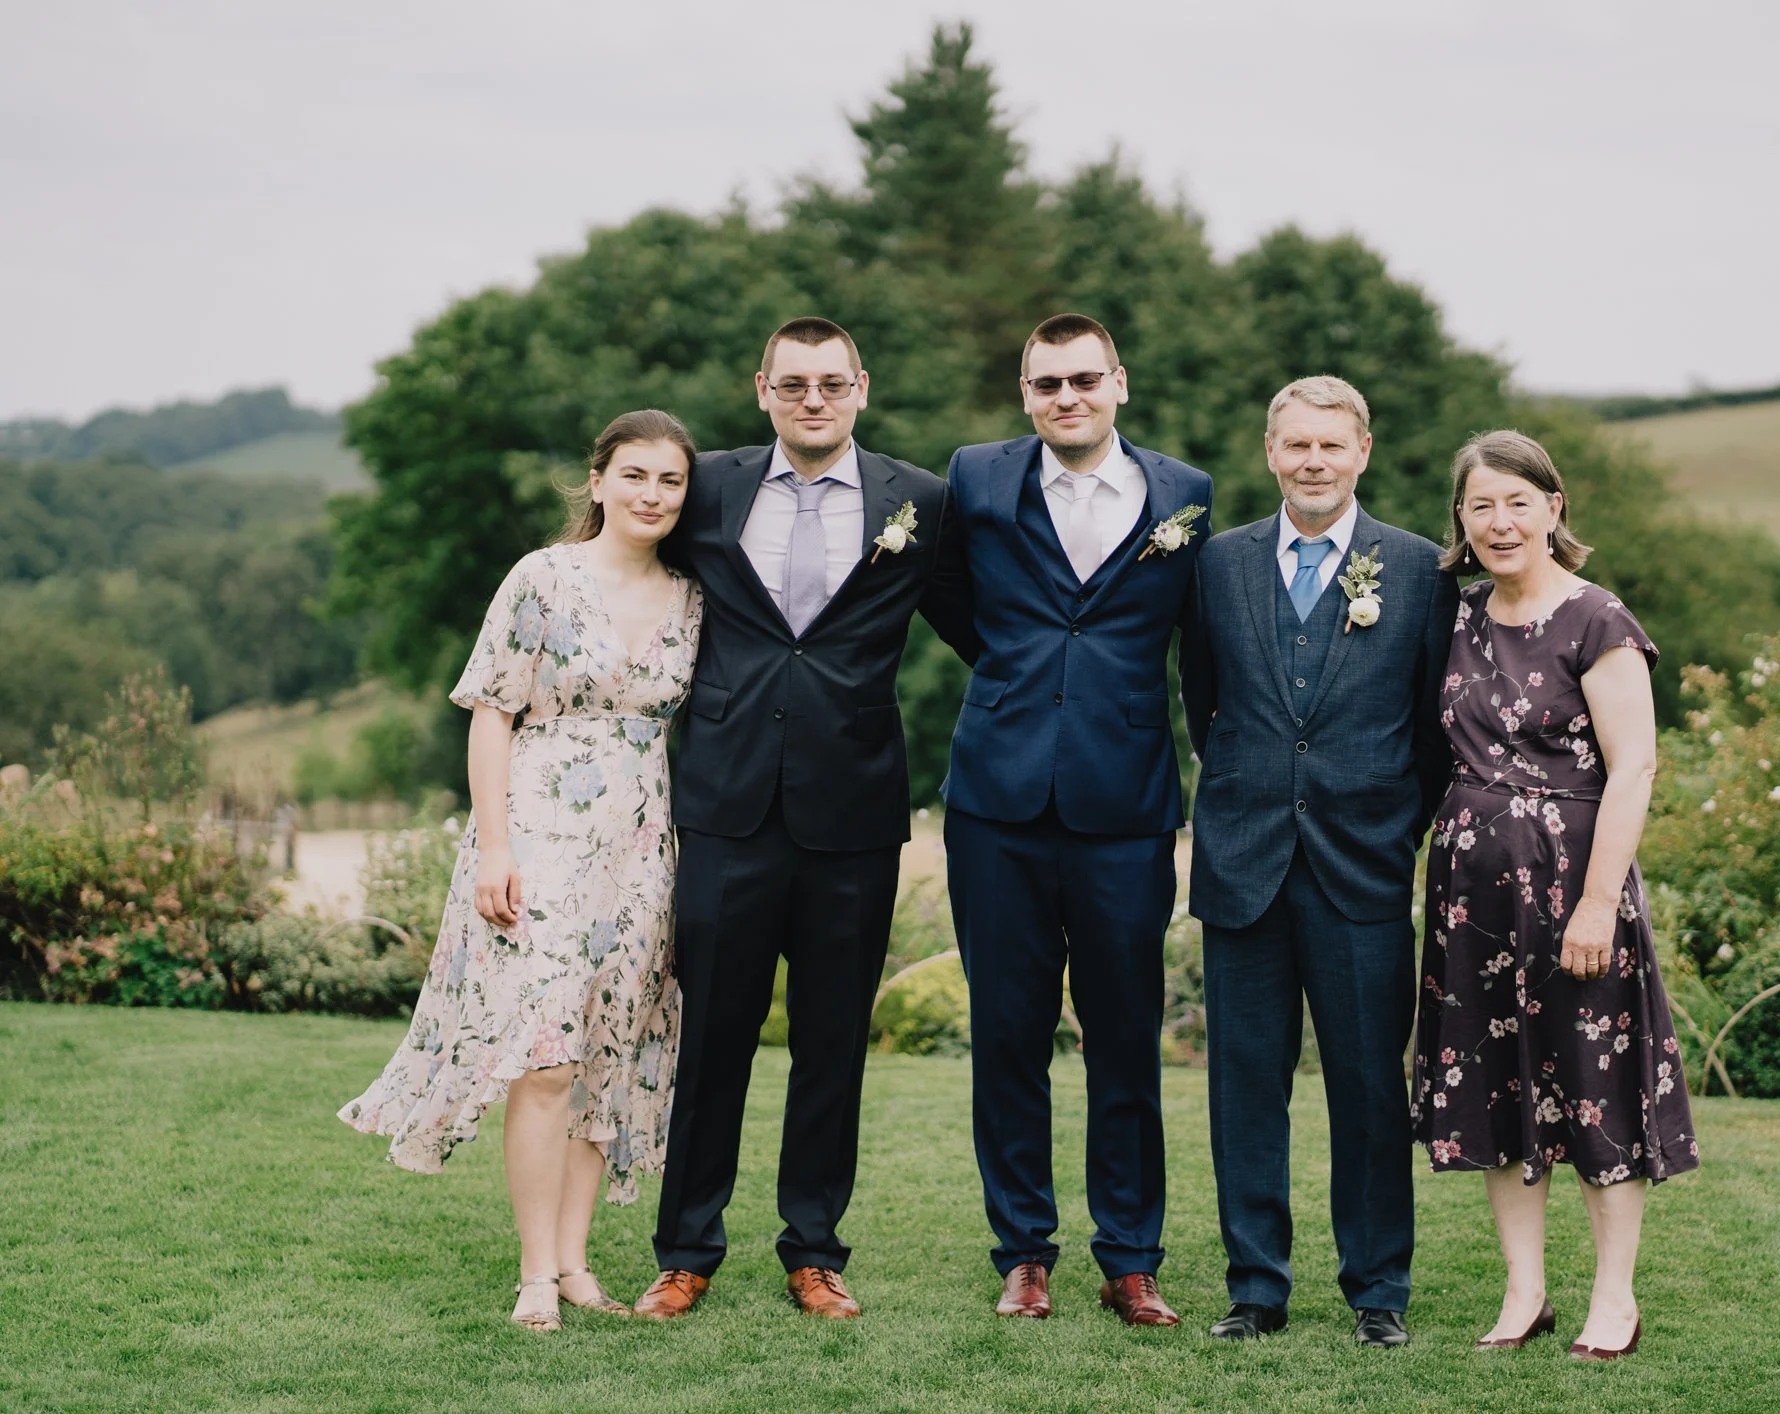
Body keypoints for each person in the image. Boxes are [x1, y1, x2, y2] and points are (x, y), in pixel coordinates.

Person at [637, 317, 978, 1322]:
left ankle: (814, 1252)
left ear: (861, 388)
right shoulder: (708, 490)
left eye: (832, 383)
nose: (814, 399)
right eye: (795, 384)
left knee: (832, 1046)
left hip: (855, 814)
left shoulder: (919, 501)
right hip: (728, 806)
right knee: (714, 1043)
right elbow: (627, 566)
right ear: (763, 391)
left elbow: (984, 631)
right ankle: (686, 1250)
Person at [340, 409, 704, 1333]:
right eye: (634, 476)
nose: (651, 494)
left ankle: (579, 1263)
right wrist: (495, 845)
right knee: (543, 1058)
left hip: (640, 852)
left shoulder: (694, 596)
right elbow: (491, 711)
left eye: (669, 480)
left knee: (605, 1055)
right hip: (539, 839)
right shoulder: (542, 579)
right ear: (597, 482)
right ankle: (534, 1272)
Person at [942, 313, 1213, 1327]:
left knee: (1125, 1037)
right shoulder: (975, 478)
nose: (1068, 396)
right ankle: (1023, 1251)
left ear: (1119, 384)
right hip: (996, 805)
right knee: (1007, 1034)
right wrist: (1019, 670)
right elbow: (946, 593)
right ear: (1025, 393)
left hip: (1125, 803)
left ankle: (1132, 1256)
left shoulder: (1185, 493)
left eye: (1084, 379)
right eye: (1047, 382)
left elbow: (1194, 640)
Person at [1180, 376, 1456, 1348]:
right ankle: (1256, 1286)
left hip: (1363, 870)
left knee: (1370, 1087)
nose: (1313, 461)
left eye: (1331, 446)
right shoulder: (1216, 565)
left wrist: (1392, 827)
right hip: (1245, 863)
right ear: (1270, 451)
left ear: (1363, 452)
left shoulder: (1421, 571)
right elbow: (1204, 703)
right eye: (1296, 444)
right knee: (1245, 1085)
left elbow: (1434, 733)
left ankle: (1377, 1288)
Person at [1411, 429, 1699, 1360]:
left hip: (1576, 883)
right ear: (1460, 518)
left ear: (1553, 507)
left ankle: (1613, 1298)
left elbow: (1635, 769)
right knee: (1496, 1094)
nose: (1499, 522)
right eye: (1480, 505)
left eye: (1516, 501)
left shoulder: (1597, 620)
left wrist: (1594, 903)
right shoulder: (1451, 617)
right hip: (1471, 896)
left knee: (1594, 1086)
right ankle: (1523, 1294)